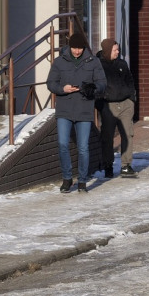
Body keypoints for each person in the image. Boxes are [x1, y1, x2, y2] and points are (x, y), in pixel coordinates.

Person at [48, 32, 107, 193]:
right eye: (74, 48)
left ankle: (82, 181)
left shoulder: (93, 61)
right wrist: (62, 89)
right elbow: (51, 83)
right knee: (62, 144)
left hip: (84, 108)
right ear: (70, 47)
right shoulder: (60, 62)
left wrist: (93, 88)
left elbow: (102, 83)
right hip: (64, 109)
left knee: (83, 147)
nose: (77, 51)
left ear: (84, 47)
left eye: (80, 48)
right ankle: (67, 179)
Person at [96, 38, 138, 177]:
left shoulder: (122, 64)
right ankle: (108, 165)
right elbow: (95, 85)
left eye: (118, 49)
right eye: (115, 50)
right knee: (107, 137)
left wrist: (132, 99)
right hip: (108, 105)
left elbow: (130, 81)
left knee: (128, 134)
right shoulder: (98, 66)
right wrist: (100, 103)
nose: (118, 52)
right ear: (108, 51)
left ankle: (126, 165)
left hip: (126, 104)